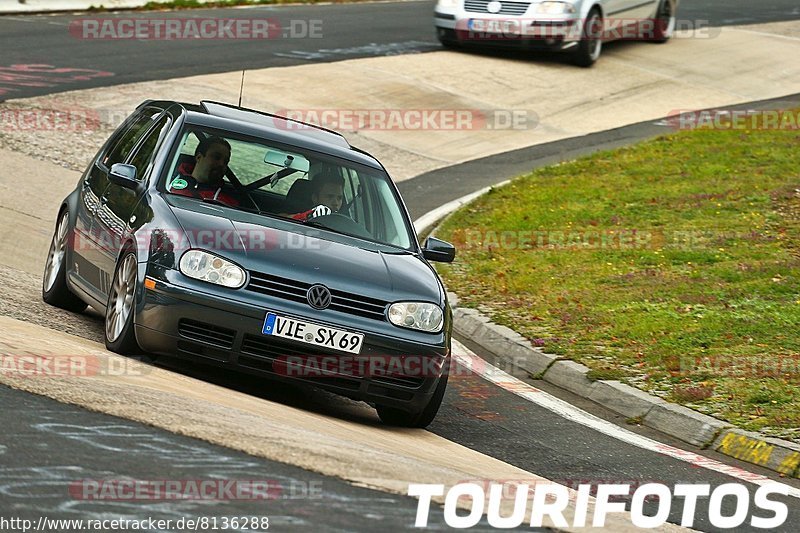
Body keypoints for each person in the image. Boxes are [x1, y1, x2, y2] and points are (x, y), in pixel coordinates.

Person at [167, 136, 240, 206]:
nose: (221, 164)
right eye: (216, 157)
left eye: (225, 161)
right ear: (199, 157)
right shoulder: (167, 180)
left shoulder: (228, 202)